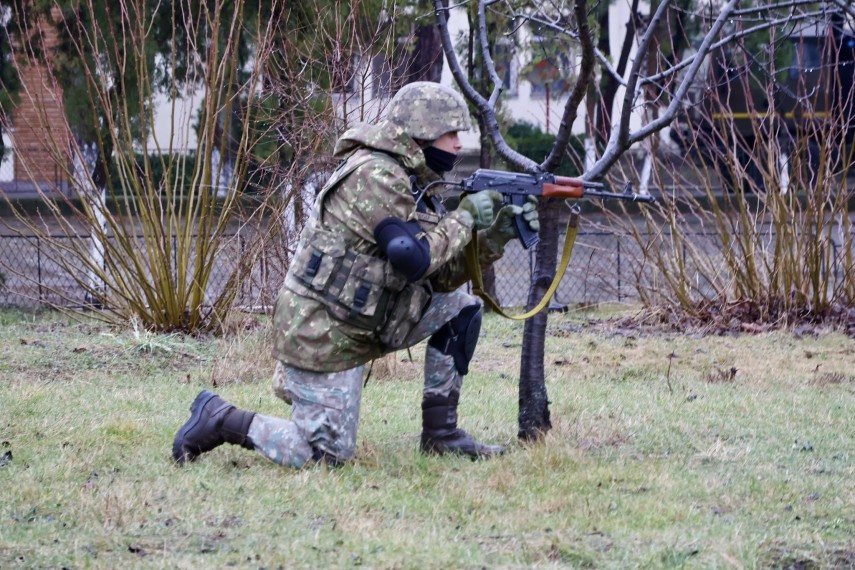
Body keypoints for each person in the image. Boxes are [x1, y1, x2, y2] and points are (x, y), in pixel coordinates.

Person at [172, 81, 539, 468]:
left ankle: (441, 435)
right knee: (324, 455)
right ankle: (220, 418)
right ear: (423, 131)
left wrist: (495, 237)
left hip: (366, 321)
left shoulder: (413, 178)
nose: (459, 145)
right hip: (323, 333)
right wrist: (464, 218)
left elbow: (438, 277)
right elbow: (410, 258)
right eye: (451, 133)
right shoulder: (376, 175)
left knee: (460, 308)